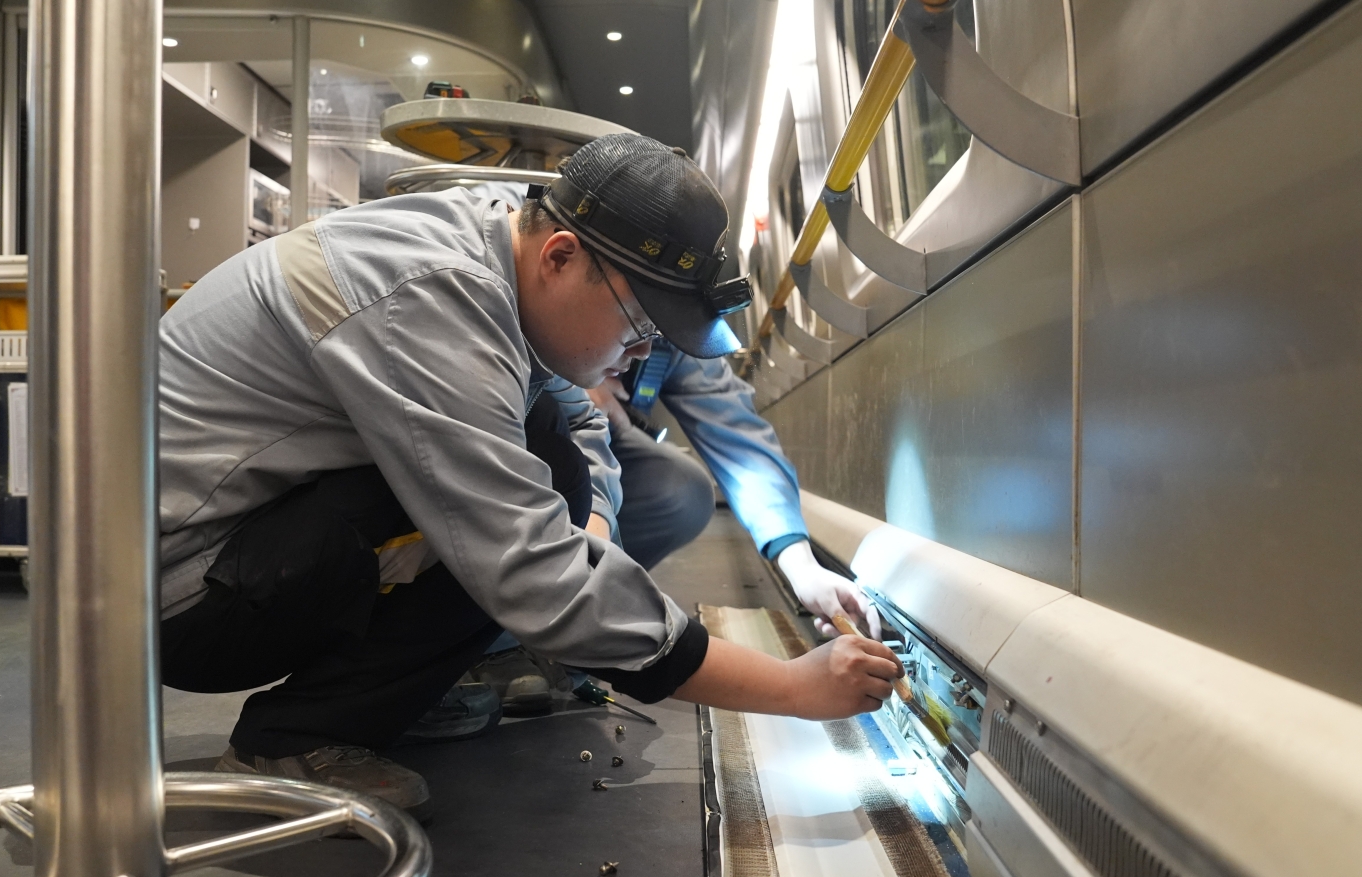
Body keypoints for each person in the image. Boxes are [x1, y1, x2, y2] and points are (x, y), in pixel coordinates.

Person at [155, 133, 898, 822]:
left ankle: (418, 682)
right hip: (184, 593)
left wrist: (592, 538)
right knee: (505, 520)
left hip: (254, 551)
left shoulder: (495, 256)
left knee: (549, 456)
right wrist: (792, 688)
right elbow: (530, 564)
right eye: (639, 326)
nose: (643, 354)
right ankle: (292, 740)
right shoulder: (434, 297)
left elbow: (580, 430)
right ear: (561, 257)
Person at [578, 345, 880, 640]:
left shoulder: (674, 339)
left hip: (606, 440)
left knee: (684, 487)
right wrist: (575, 386)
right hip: (553, 445)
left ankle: (594, 599)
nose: (644, 349)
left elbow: (738, 438)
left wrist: (802, 567)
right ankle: (578, 600)